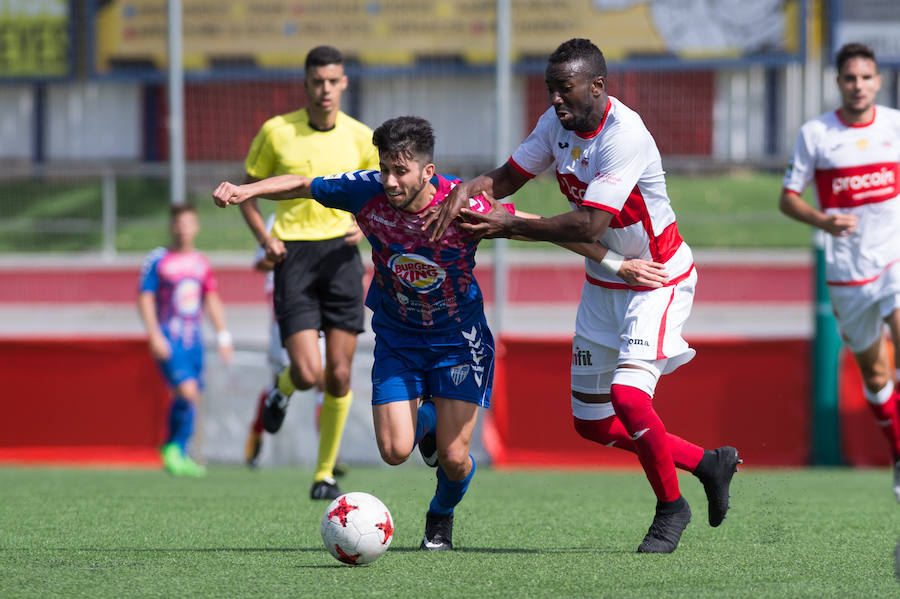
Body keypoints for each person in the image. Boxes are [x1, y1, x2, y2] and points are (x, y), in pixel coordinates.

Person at [214, 116, 641, 551]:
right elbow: (303, 184)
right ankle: (429, 421)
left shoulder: (462, 205)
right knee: (395, 451)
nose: (390, 180)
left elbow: (539, 224)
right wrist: (247, 190)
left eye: (401, 171)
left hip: (459, 342)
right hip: (398, 338)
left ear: (427, 172)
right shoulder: (367, 192)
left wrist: (618, 264)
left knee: (454, 461)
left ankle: (440, 513)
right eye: (384, 168)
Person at [425, 38, 741, 554]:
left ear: (597, 86)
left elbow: (589, 222)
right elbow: (507, 177)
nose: (554, 100)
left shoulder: (626, 135)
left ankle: (670, 509)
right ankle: (708, 463)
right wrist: (468, 187)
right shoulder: (558, 124)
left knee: (629, 398)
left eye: (564, 89)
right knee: (592, 424)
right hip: (607, 280)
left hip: (655, 278)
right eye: (550, 89)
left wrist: (507, 226)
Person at [239, 45, 378, 499]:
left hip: (341, 258)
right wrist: (266, 239)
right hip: (294, 258)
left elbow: (382, 193)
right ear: (305, 84)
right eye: (317, 82)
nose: (325, 90)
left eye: (333, 81)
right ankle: (281, 390)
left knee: (338, 374)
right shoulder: (276, 132)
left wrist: (363, 223)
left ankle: (324, 474)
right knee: (307, 372)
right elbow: (249, 191)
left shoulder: (361, 138)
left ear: (344, 84)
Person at [780, 42, 900, 499]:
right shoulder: (817, 134)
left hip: (895, 259)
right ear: (839, 83)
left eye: (866, 77)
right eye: (850, 78)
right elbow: (788, 197)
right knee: (875, 376)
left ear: (878, 81)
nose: (858, 86)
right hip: (850, 271)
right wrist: (823, 220)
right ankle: (898, 453)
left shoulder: (894, 126)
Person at [244, 215, 347, 478]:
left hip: (323, 301)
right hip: (289, 303)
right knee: (289, 376)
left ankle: (328, 458)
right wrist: (291, 258)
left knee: (327, 379)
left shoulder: (333, 208)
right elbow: (260, 262)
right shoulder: (277, 219)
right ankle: (256, 435)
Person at [138, 203, 234, 477]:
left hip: (195, 341)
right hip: (170, 337)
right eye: (178, 224)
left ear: (196, 227)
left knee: (192, 396)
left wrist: (223, 335)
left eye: (188, 223)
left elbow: (212, 299)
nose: (183, 229)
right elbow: (144, 296)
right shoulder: (158, 259)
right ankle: (172, 447)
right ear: (172, 227)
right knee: (187, 391)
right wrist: (154, 334)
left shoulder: (200, 262)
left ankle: (180, 451)